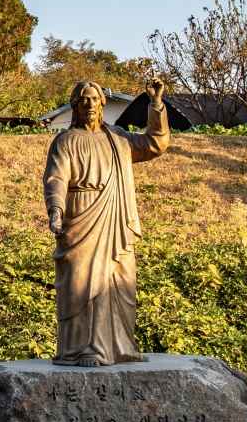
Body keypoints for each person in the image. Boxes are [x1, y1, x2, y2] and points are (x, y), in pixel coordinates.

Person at [44, 79, 170, 366]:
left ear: (102, 103)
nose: (89, 104)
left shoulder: (119, 139)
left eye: (94, 99)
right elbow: (57, 178)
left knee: (118, 281)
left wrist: (156, 104)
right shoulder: (66, 140)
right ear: (75, 106)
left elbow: (154, 143)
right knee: (81, 283)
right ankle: (83, 349)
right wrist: (56, 210)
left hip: (116, 216)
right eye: (83, 100)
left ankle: (119, 346)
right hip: (81, 214)